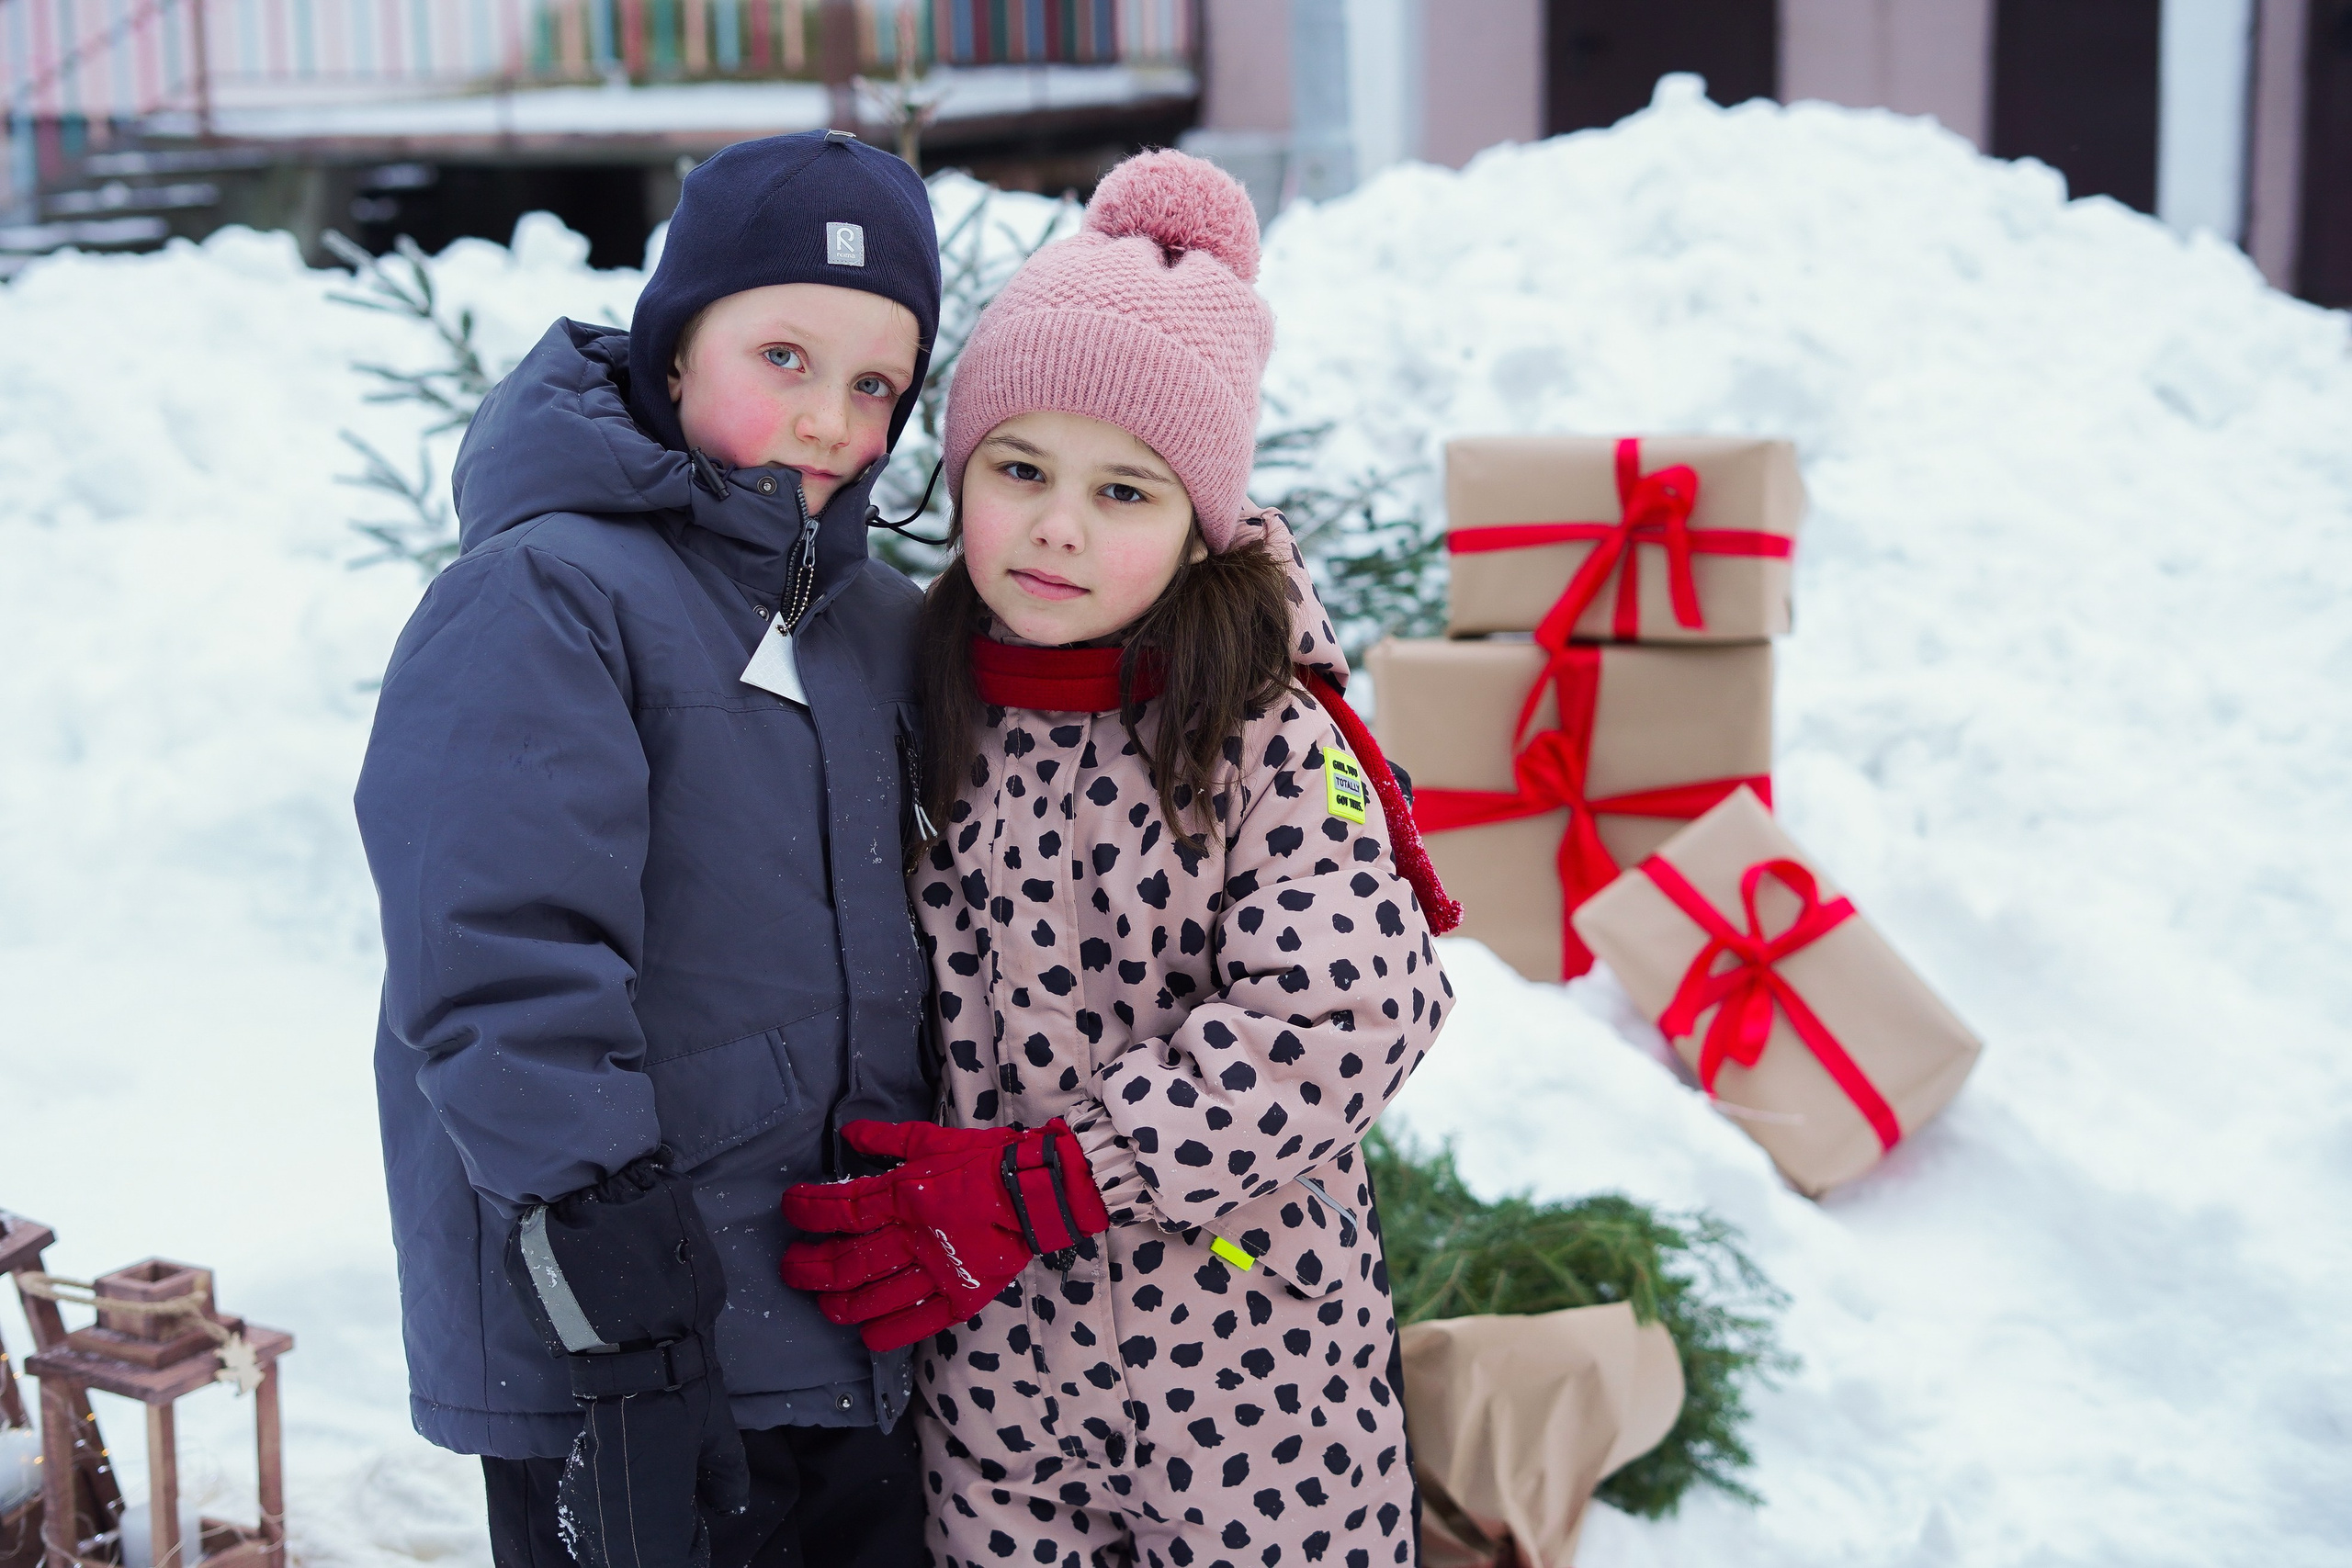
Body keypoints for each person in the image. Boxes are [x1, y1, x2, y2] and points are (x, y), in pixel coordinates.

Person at [778, 149, 1460, 1567]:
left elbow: (1350, 1012)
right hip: (998, 1387)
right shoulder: (921, 701)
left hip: (1257, 1385)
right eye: (1019, 468)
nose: (1059, 527)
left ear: (1200, 524)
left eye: (1128, 493)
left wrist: (1057, 1181)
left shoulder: (1268, 727)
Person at [355, 129, 943, 1568]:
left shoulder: (877, 628)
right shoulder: (547, 595)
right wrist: (624, 1308)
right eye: (785, 358)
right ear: (679, 349)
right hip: (624, 1356)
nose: (828, 421)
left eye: (876, 385)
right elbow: (500, 967)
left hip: (843, 1323)